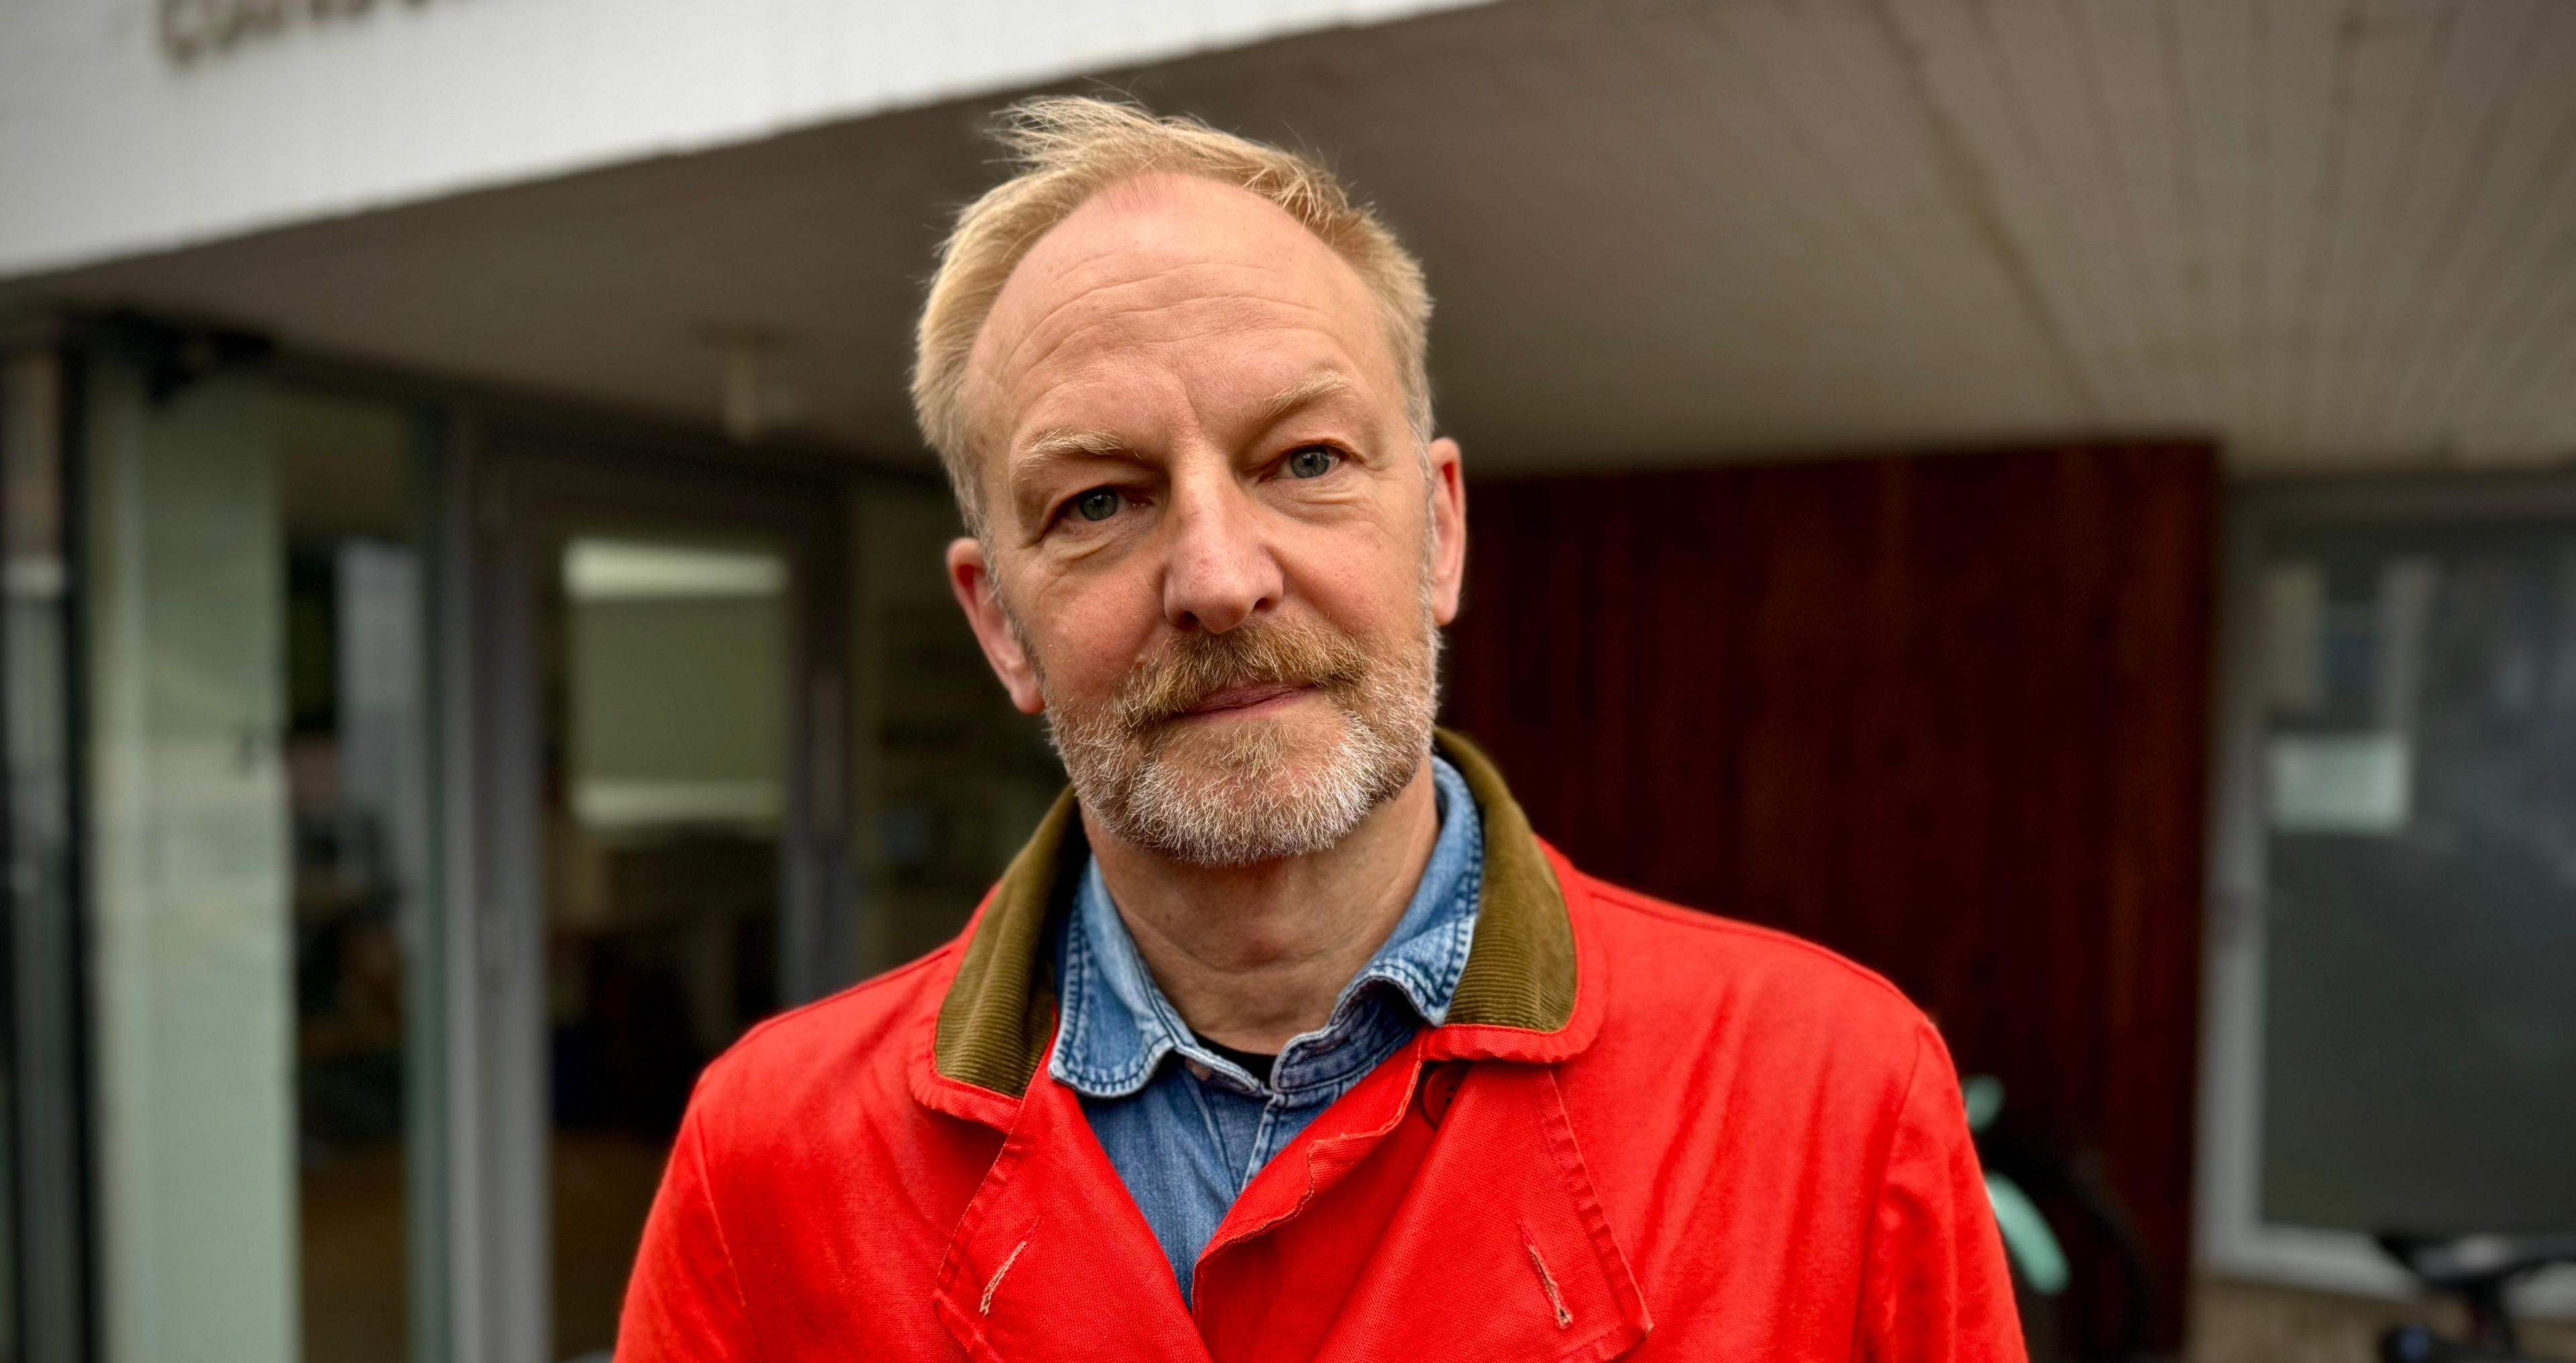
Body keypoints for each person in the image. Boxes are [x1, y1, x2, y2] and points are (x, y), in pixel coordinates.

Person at [617, 96, 2024, 1361]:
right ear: (1001, 627)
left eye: (1305, 460)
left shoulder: (1834, 1103)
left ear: (1442, 530)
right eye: (1098, 501)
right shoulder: (768, 1164)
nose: (1220, 580)